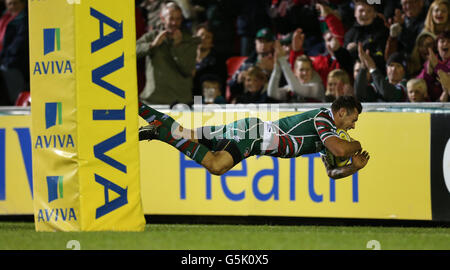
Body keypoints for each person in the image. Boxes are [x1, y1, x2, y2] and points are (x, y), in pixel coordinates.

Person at [138, 95, 370, 179]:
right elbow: (340, 151)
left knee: (183, 134)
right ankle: (164, 134)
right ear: (341, 112)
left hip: (252, 131)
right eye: (353, 120)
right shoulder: (323, 119)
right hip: (254, 135)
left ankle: (138, 109)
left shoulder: (327, 134)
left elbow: (332, 172)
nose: (354, 126)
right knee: (218, 165)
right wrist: (355, 145)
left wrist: (353, 168)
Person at [136, 2, 200, 105]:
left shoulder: (190, 41)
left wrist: (177, 47)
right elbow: (130, 52)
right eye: (171, 18)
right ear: (162, 18)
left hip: (180, 102)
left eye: (178, 19)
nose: (174, 23)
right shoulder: (152, 37)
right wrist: (152, 45)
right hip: (153, 100)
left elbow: (188, 70)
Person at [228, 27, 275, 100]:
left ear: (273, 43)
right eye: (260, 41)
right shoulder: (247, 63)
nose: (263, 45)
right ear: (255, 42)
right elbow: (232, 86)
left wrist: (271, 72)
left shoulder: (278, 61)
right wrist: (238, 80)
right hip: (248, 101)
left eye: (267, 41)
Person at [0, 0, 28, 106]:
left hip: (15, 65)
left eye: (15, 3)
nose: (12, 6)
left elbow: (16, 47)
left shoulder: (25, 21)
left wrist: (3, 61)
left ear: (23, 4)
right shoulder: (4, 19)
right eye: (9, 4)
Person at [192, 23, 227, 98]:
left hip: (205, 99)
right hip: (186, 95)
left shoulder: (218, 62)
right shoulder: (186, 56)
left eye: (207, 37)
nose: (203, 39)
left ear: (212, 42)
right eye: (201, 35)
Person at [417, 30, 450, 101]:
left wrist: (436, 66)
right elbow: (418, 82)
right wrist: (428, 74)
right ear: (437, 47)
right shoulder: (432, 60)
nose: (446, 44)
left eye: (449, 41)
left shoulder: (434, 62)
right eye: (442, 41)